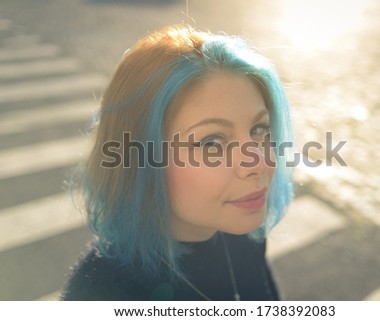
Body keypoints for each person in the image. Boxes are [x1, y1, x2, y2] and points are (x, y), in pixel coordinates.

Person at [61, 24, 294, 301]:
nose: (260, 161)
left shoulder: (243, 238)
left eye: (260, 130)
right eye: (211, 143)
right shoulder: (98, 293)